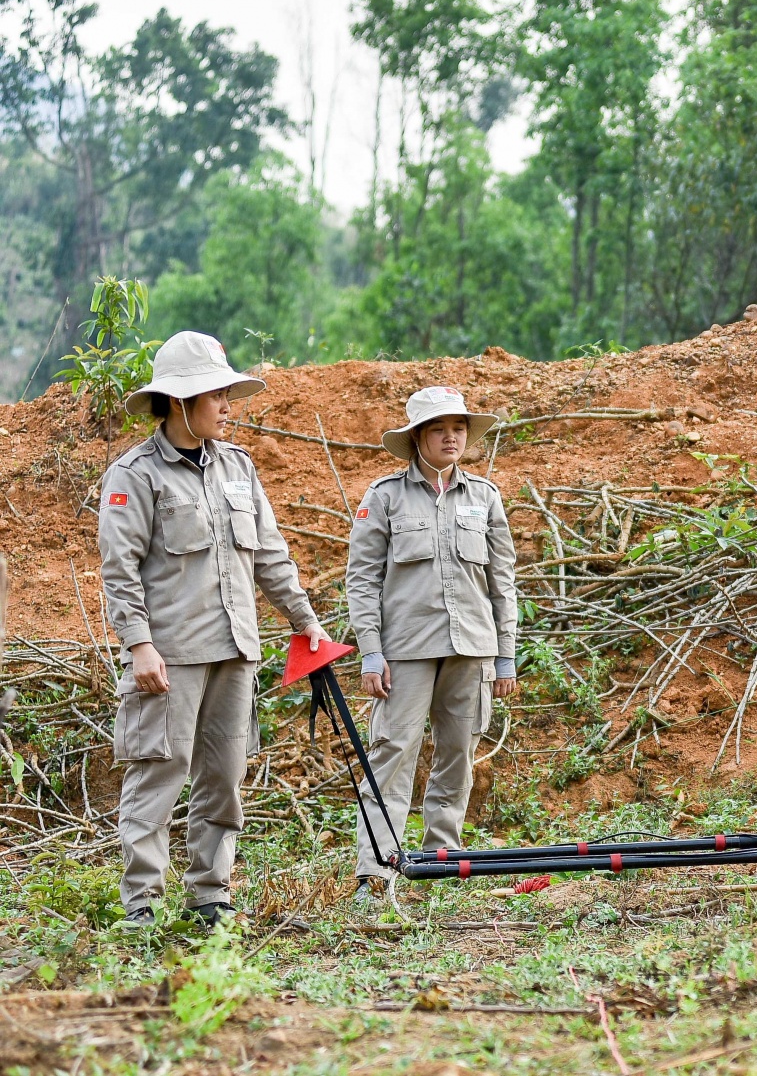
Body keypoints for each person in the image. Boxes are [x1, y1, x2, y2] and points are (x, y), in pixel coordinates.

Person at [99, 331, 328, 927]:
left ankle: (210, 896)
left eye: (228, 394)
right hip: (170, 656)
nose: (227, 407)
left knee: (224, 779)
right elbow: (119, 569)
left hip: (235, 650)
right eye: (216, 396)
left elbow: (270, 556)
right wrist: (139, 645)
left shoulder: (238, 467)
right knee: (158, 776)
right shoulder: (135, 475)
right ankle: (142, 905)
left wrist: (305, 621)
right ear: (180, 402)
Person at [346, 387, 518, 902]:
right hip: (405, 651)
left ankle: (443, 859)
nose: (451, 437)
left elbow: (502, 581)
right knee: (393, 752)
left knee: (458, 753)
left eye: (459, 428)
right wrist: (371, 651)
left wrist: (506, 655)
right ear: (417, 437)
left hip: (472, 648)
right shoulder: (384, 497)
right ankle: (377, 871)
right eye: (439, 429)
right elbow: (362, 580)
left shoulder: (484, 497)